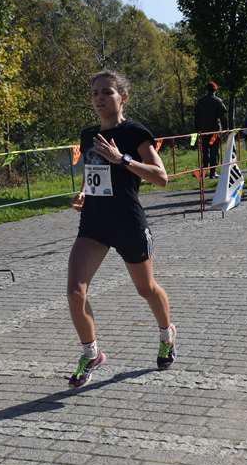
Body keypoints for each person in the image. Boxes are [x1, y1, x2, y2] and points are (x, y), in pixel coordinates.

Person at [67, 70, 175, 388]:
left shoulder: (134, 133)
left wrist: (122, 159)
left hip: (128, 222)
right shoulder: (88, 135)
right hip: (94, 223)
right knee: (75, 292)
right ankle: (91, 353)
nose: (100, 98)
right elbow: (93, 174)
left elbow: (161, 177)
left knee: (146, 289)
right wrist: (83, 193)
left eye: (107, 92)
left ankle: (167, 335)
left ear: (122, 97)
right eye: (95, 93)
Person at [194, 81, 228, 179]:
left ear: (207, 90)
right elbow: (223, 117)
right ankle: (213, 173)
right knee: (214, 151)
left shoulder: (200, 101)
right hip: (214, 132)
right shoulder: (218, 101)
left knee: (205, 152)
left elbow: (196, 117)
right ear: (215, 90)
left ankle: (204, 173)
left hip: (203, 131)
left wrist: (197, 129)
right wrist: (225, 129)